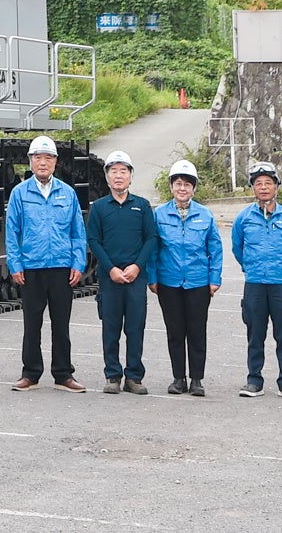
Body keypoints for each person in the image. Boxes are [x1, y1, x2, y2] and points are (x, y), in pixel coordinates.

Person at [5, 134, 89, 393]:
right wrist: (15, 264)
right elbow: (12, 232)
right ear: (30, 161)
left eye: (48, 157)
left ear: (55, 162)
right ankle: (30, 373)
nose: (43, 162)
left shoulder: (68, 193)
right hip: (31, 267)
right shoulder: (20, 193)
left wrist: (79, 262)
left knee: (61, 324)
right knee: (32, 324)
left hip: (62, 267)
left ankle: (63, 373)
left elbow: (77, 232)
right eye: (38, 157)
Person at [230, 161, 282, 400]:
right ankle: (254, 380)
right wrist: (250, 267)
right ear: (252, 188)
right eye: (258, 183)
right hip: (254, 284)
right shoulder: (244, 218)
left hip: (281, 284)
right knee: (255, 334)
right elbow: (237, 247)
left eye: (268, 183)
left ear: (276, 186)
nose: (263, 188)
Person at [86, 148, 158, 395]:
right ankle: (112, 375)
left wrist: (138, 266)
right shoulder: (99, 207)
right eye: (114, 171)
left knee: (136, 327)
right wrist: (111, 269)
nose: (118, 176)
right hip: (110, 278)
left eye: (123, 171)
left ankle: (134, 376)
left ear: (130, 176)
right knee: (111, 328)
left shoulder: (142, 206)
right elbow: (94, 240)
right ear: (107, 177)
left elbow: (151, 238)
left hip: (136, 278)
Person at [151, 159, 222, 397]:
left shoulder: (205, 215)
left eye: (187, 184)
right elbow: (153, 248)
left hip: (198, 282)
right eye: (178, 183)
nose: (182, 189)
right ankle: (178, 378)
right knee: (175, 331)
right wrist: (152, 277)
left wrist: (215, 278)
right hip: (169, 281)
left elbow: (215, 248)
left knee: (196, 330)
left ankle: (197, 379)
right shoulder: (159, 214)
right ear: (171, 186)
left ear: (194, 188)